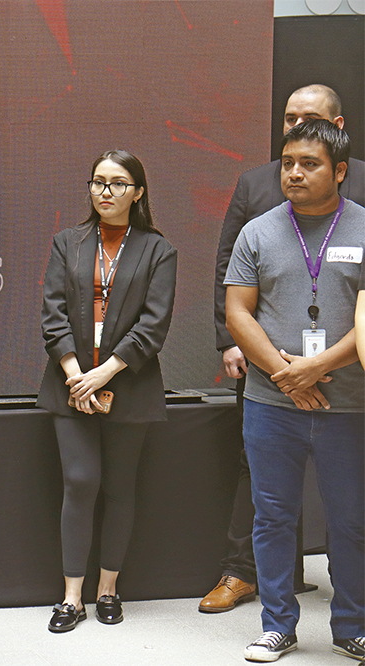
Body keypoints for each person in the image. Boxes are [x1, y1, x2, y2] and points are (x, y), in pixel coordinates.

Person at [206, 84, 365, 613]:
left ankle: (353, 623)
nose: (294, 172)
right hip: (270, 391)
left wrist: (316, 366)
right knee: (270, 510)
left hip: (349, 396)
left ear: (338, 167)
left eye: (308, 163)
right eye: (288, 162)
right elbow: (236, 303)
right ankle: (271, 612)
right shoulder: (258, 218)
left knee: (351, 517)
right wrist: (283, 372)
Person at [38, 150, 177, 633]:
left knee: (120, 487)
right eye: (98, 182)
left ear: (138, 192)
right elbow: (53, 314)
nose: (105, 192)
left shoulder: (158, 250)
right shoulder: (68, 242)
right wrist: (77, 375)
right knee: (80, 481)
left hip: (128, 384)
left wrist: (104, 375)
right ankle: (71, 597)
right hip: (70, 384)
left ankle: (108, 590)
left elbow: (153, 325)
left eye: (118, 183)